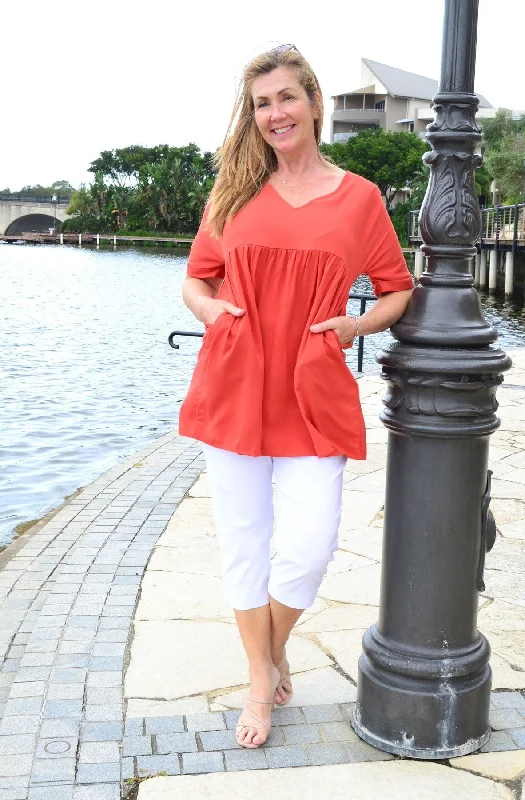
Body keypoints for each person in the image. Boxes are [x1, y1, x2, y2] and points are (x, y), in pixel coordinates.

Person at [179, 45, 414, 749]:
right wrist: (211, 312)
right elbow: (197, 278)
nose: (274, 113)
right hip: (234, 381)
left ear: (313, 101)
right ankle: (261, 679)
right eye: (260, 104)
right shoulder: (233, 192)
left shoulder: (358, 198)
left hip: (314, 386)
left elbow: (396, 287)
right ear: (252, 119)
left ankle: (268, 652)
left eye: (285, 97)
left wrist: (356, 322)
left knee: (308, 549)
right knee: (243, 543)